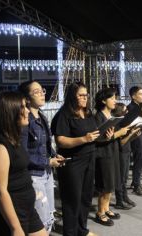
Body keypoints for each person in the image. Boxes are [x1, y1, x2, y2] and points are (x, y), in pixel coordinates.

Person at [0, 91, 46, 236]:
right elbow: (0, 191)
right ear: (10, 113)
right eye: (23, 107)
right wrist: (15, 228)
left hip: (26, 208)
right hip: (10, 215)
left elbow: (17, 174)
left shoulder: (13, 139)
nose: (28, 111)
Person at [51, 82, 99, 236]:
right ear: (72, 96)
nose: (85, 98)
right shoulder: (64, 114)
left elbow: (94, 134)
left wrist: (105, 133)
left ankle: (81, 229)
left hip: (89, 157)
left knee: (85, 198)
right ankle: (70, 232)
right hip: (73, 162)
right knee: (72, 200)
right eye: (81, 95)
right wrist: (84, 139)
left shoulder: (88, 112)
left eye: (86, 95)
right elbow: (61, 140)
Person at [19, 81, 65, 233]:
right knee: (40, 218)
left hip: (46, 172)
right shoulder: (25, 121)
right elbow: (23, 154)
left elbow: (45, 144)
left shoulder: (42, 116)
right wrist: (48, 161)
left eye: (42, 91)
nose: (42, 94)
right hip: (34, 176)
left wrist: (54, 154)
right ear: (26, 98)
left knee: (49, 213)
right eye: (36, 92)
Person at [94, 88, 129, 226]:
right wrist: (117, 134)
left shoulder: (111, 115)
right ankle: (100, 212)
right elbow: (98, 139)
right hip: (103, 154)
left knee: (112, 182)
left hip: (112, 152)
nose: (115, 101)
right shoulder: (98, 117)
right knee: (105, 184)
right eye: (112, 98)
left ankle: (106, 208)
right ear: (103, 100)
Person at [113, 103, 139, 209]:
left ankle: (125, 197)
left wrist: (133, 135)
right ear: (120, 112)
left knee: (124, 178)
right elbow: (121, 142)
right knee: (120, 178)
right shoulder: (117, 124)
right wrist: (131, 135)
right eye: (125, 110)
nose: (127, 112)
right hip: (120, 152)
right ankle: (119, 200)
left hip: (127, 151)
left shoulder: (124, 124)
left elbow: (127, 140)